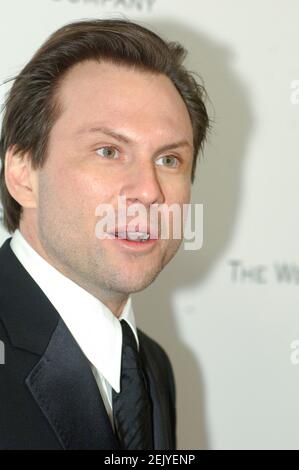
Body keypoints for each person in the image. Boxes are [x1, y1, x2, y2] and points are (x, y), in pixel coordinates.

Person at [0, 19, 209, 450]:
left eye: (169, 160)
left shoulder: (151, 365)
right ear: (23, 175)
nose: (150, 191)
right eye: (109, 151)